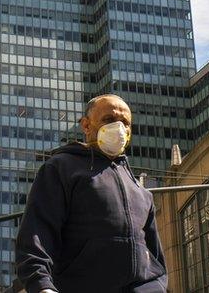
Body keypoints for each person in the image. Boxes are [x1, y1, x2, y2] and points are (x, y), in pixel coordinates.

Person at [15, 94, 167, 292]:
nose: (119, 128)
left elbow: (155, 257)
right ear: (86, 126)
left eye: (125, 122)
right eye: (109, 120)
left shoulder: (141, 191)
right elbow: (36, 232)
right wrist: (41, 285)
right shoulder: (61, 168)